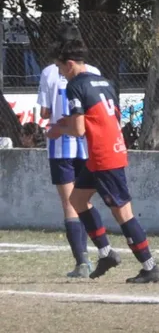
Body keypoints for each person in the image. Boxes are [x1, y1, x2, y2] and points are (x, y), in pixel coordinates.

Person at [49, 38, 159, 283]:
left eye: (59, 67)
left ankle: (150, 266)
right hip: (109, 150)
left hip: (104, 155)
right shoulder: (103, 81)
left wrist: (59, 130)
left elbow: (80, 130)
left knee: (123, 213)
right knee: (77, 200)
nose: (60, 72)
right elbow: (99, 118)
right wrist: (65, 123)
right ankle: (106, 252)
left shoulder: (75, 86)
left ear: (69, 65)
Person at [37, 25, 103, 278]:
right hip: (88, 144)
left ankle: (82, 262)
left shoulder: (49, 72)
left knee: (68, 204)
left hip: (60, 145)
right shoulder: (94, 71)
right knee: (86, 201)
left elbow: (44, 112)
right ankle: (104, 250)